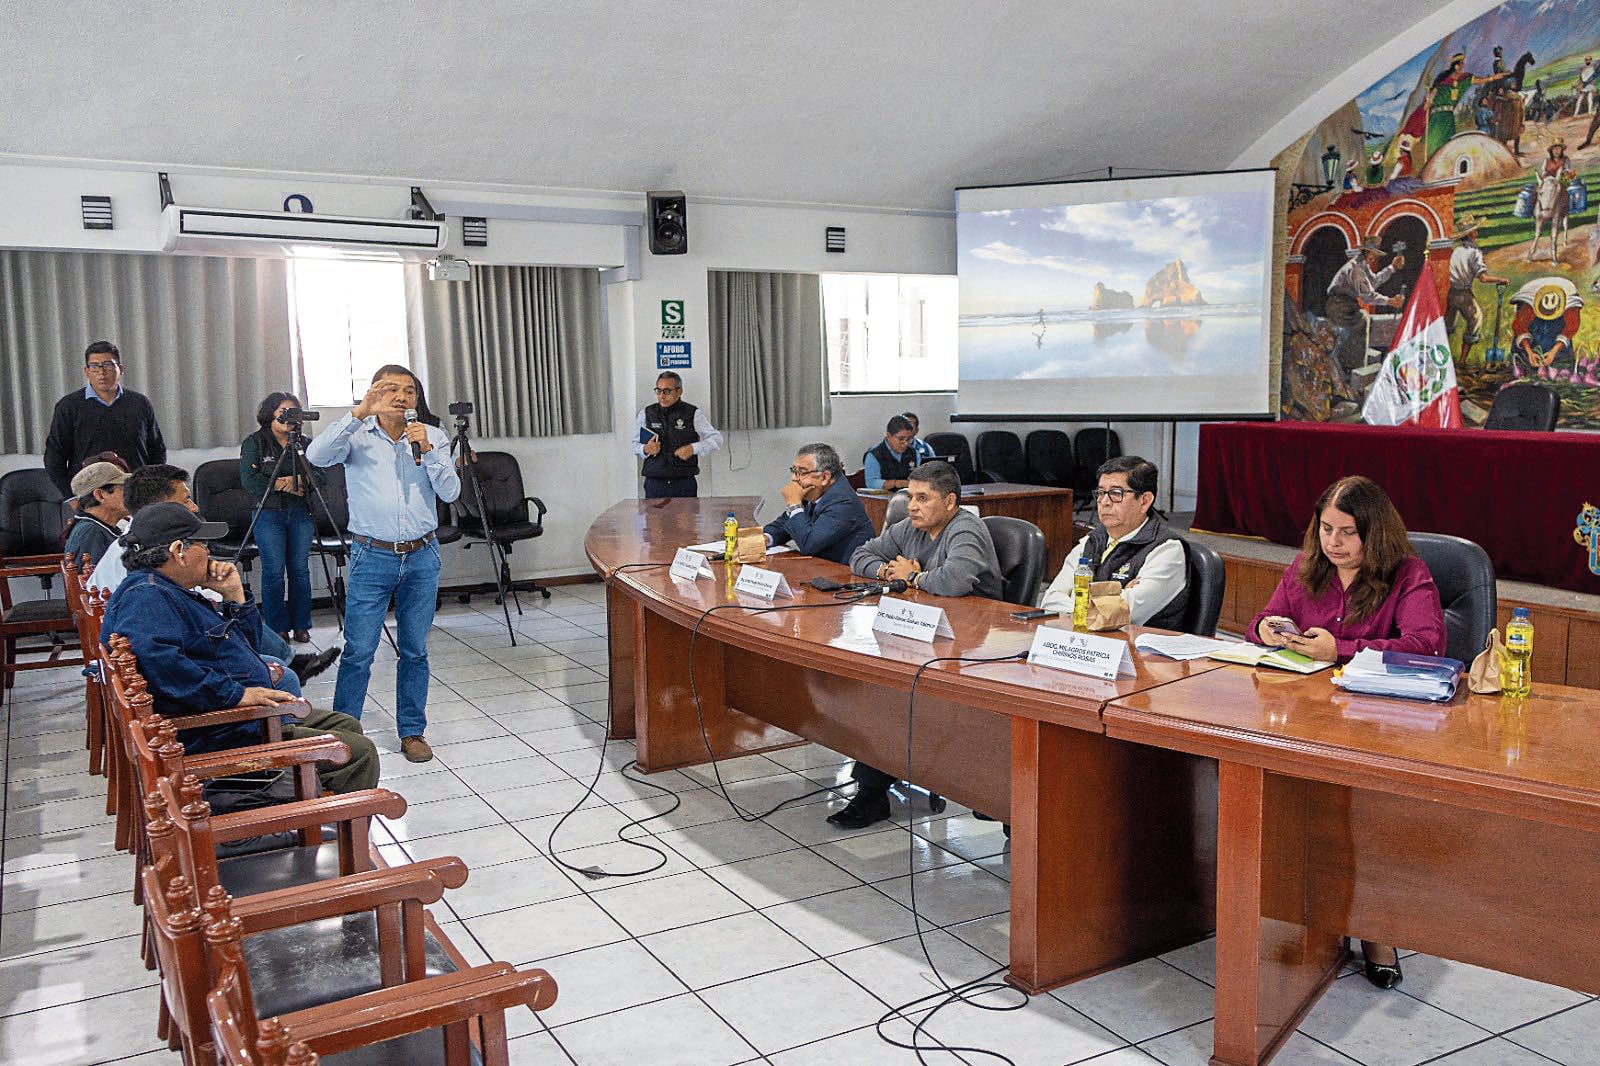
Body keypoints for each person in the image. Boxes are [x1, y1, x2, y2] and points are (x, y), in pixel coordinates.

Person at [1250, 475, 1446, 991]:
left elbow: (1425, 644)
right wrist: (1268, 629)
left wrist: (1337, 648)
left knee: (1359, 815)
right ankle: (1301, 915)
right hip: (1310, 713)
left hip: (1380, 723)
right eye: (1325, 529)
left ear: (1374, 533)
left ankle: (1376, 927)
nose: (1332, 543)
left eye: (1346, 532)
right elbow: (1265, 620)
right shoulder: (1307, 566)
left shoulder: (1408, 574)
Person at [101, 503, 377, 794]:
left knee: (345, 725)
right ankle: (328, 822)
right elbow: (159, 662)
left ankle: (319, 803)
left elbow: (246, 647)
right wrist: (237, 695)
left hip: (233, 722)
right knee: (360, 753)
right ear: (178, 551)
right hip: (222, 733)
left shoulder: (163, 590)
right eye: (203, 545)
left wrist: (235, 597)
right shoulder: (147, 599)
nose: (209, 553)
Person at [829, 461, 1002, 830]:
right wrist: (888, 572)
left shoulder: (966, 528)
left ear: (951, 501)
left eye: (923, 498)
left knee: (901, 697)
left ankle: (990, 793)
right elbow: (859, 555)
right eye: (910, 496)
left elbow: (954, 581)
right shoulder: (909, 527)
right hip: (924, 634)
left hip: (970, 647)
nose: (911, 506)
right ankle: (872, 791)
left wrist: (912, 576)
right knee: (879, 687)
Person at [306, 364, 458, 764]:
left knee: (414, 650)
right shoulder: (356, 435)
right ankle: (342, 735)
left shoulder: (433, 436)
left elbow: (450, 491)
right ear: (374, 393)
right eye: (390, 389)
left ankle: (412, 731)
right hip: (371, 556)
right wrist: (357, 413)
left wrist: (427, 451)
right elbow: (316, 457)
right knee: (358, 650)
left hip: (422, 556)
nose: (401, 397)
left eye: (408, 390)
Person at [92, 463, 339, 685]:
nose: (195, 506)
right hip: (164, 673)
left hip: (154, 657)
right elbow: (171, 663)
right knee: (268, 664)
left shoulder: (137, 543)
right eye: (186, 500)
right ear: (162, 508)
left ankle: (288, 664)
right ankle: (288, 673)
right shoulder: (144, 572)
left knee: (231, 612)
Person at [1039, 456, 1188, 629]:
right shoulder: (1092, 540)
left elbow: (1118, 614)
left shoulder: (1167, 550)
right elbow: (1050, 601)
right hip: (1090, 645)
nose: (1104, 502)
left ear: (1145, 501)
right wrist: (1118, 592)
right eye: (1101, 493)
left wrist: (1077, 596)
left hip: (1142, 652)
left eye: (1116, 494)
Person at [241, 392, 323, 644]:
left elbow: (321, 476)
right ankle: (277, 627)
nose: (288, 418)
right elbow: (249, 480)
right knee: (274, 571)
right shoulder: (255, 442)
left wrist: (300, 481)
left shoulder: (306, 443)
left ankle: (301, 624)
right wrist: (280, 483)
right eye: (282, 412)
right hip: (268, 514)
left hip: (300, 513)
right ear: (270, 414)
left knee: (299, 569)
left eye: (293, 413)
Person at [43, 341, 167, 498]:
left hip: (135, 493)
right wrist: (71, 497)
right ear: (86, 371)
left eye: (108, 365)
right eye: (94, 366)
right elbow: (54, 457)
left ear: (120, 369)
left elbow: (157, 450)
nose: (101, 372)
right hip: (90, 496)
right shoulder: (69, 406)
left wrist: (151, 488)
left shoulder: (140, 403)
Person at [762, 444, 874, 564]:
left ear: (825, 477)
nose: (794, 479)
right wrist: (766, 538)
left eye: (802, 473)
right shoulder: (814, 491)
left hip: (847, 574)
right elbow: (784, 524)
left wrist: (794, 504)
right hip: (821, 567)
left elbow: (809, 544)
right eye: (794, 471)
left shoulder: (843, 502)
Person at [632, 371, 723, 498]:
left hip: (683, 482)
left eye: (667, 391)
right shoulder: (646, 413)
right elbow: (634, 445)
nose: (662, 396)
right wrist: (645, 449)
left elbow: (717, 439)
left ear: (679, 391)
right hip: (655, 482)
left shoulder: (693, 413)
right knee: (654, 517)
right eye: (658, 391)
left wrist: (693, 448)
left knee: (687, 518)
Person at [1325, 237, 1405, 371]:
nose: (1374, 258)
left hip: (1348, 304)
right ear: (1366, 253)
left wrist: (1392, 268)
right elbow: (1367, 296)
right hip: (1338, 305)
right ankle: (1353, 365)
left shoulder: (1363, 266)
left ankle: (1354, 362)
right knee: (1362, 320)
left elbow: (1373, 282)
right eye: (1372, 254)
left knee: (1363, 318)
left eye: (1375, 255)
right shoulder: (1355, 268)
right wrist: (1390, 301)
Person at [1444, 216, 1508, 363]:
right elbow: (1483, 278)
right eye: (1475, 230)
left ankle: (1442, 358)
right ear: (1471, 234)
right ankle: (1462, 360)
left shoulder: (1456, 251)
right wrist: (1501, 280)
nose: (1477, 232)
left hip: (1451, 293)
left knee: (1448, 325)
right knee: (1475, 320)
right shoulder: (1474, 252)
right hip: (1464, 294)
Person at [62, 462, 131, 567]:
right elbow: (88, 581)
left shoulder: (98, 528)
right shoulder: (89, 532)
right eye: (124, 489)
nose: (131, 495)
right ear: (100, 495)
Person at [863, 415, 918, 491]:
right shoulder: (874, 455)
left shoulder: (913, 453)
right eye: (901, 439)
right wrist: (897, 483)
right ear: (889, 435)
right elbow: (872, 483)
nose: (905, 443)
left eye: (908, 439)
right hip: (883, 498)